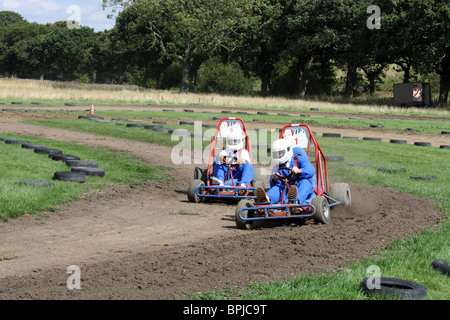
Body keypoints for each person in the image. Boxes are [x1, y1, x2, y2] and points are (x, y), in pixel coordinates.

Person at [255, 138, 316, 212]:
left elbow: (311, 170)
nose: (278, 155)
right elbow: (273, 184)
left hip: (301, 186)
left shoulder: (299, 159)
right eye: (276, 153)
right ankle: (267, 199)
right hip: (286, 189)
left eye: (280, 153)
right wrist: (275, 179)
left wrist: (299, 170)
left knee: (305, 183)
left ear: (288, 150)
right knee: (277, 187)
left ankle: (295, 201)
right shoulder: (277, 166)